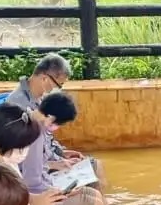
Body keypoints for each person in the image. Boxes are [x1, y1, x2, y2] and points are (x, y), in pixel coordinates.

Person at [7, 53, 108, 189]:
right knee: (92, 185)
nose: (57, 89)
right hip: (34, 176)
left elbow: (47, 140)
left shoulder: (41, 98)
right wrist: (53, 164)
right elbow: (18, 157)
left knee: (95, 165)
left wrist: (61, 153)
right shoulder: (17, 105)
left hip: (46, 163)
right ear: (45, 78)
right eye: (58, 85)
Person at [21, 90, 109, 205]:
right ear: (51, 118)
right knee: (94, 202)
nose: (58, 127)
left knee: (94, 195)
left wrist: (57, 164)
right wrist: (62, 192)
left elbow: (32, 164)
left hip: (44, 185)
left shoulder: (33, 121)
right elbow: (31, 181)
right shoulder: (35, 136)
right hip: (37, 198)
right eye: (60, 124)